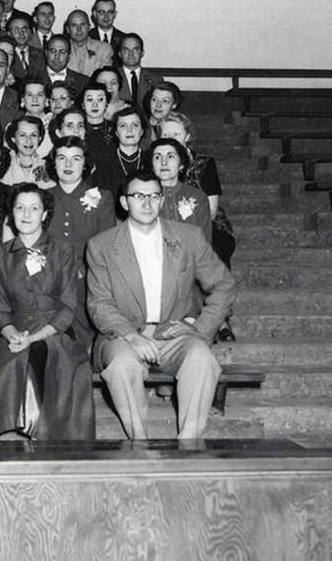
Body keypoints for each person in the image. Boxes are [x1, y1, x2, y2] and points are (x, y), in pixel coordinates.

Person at [85, 169, 235, 439]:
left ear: (162, 200)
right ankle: (139, 443)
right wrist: (131, 336)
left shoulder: (187, 236)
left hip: (172, 333)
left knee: (202, 358)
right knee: (121, 366)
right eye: (138, 196)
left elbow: (223, 284)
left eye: (154, 196)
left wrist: (200, 329)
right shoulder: (102, 245)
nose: (146, 203)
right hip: (124, 334)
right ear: (124, 202)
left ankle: (188, 445)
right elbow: (100, 304)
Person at [0, 183, 95, 440]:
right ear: (11, 214)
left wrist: (32, 338)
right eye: (20, 208)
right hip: (14, 331)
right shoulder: (0, 253)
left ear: (44, 214)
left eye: (33, 208)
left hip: (55, 331)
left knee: (46, 358)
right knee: (6, 364)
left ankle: (43, 436)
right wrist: (11, 334)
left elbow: (67, 307)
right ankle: (9, 437)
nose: (26, 214)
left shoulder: (62, 251)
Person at [158, 112, 236, 341]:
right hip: (170, 222)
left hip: (207, 221)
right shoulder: (158, 160)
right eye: (165, 134)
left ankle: (221, 318)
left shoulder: (203, 163)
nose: (170, 137)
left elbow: (210, 209)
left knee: (212, 249)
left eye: (176, 133)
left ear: (187, 136)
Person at [46, 136, 116, 351]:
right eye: (62, 158)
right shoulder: (42, 197)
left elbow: (105, 248)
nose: (68, 165)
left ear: (85, 165)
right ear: (53, 162)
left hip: (86, 280)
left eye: (75, 159)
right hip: (47, 279)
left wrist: (80, 270)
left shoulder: (102, 198)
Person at [150, 138, 212, 241]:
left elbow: (205, 241)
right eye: (157, 157)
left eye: (170, 156)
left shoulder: (197, 197)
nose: (163, 162)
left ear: (181, 164)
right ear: (152, 165)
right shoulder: (143, 196)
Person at [0, 116, 55, 188]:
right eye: (22, 135)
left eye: (34, 135)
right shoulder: (4, 167)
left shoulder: (49, 168)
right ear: (13, 138)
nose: (28, 140)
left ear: (39, 138)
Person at [65, 9, 113, 77]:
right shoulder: (62, 49)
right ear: (67, 29)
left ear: (89, 27)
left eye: (83, 24)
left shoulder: (104, 49)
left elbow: (106, 78)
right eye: (74, 25)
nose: (79, 30)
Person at [118, 33, 156, 108]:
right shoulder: (112, 77)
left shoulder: (155, 79)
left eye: (135, 49)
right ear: (119, 54)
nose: (131, 53)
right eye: (126, 50)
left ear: (142, 53)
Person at [143, 81, 182, 149]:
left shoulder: (179, 126)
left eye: (165, 101)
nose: (158, 105)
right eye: (154, 99)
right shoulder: (141, 125)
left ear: (174, 105)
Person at [8, 13, 44, 81]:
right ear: (9, 34)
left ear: (30, 32)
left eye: (24, 29)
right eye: (16, 30)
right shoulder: (6, 55)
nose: (21, 33)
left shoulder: (41, 55)